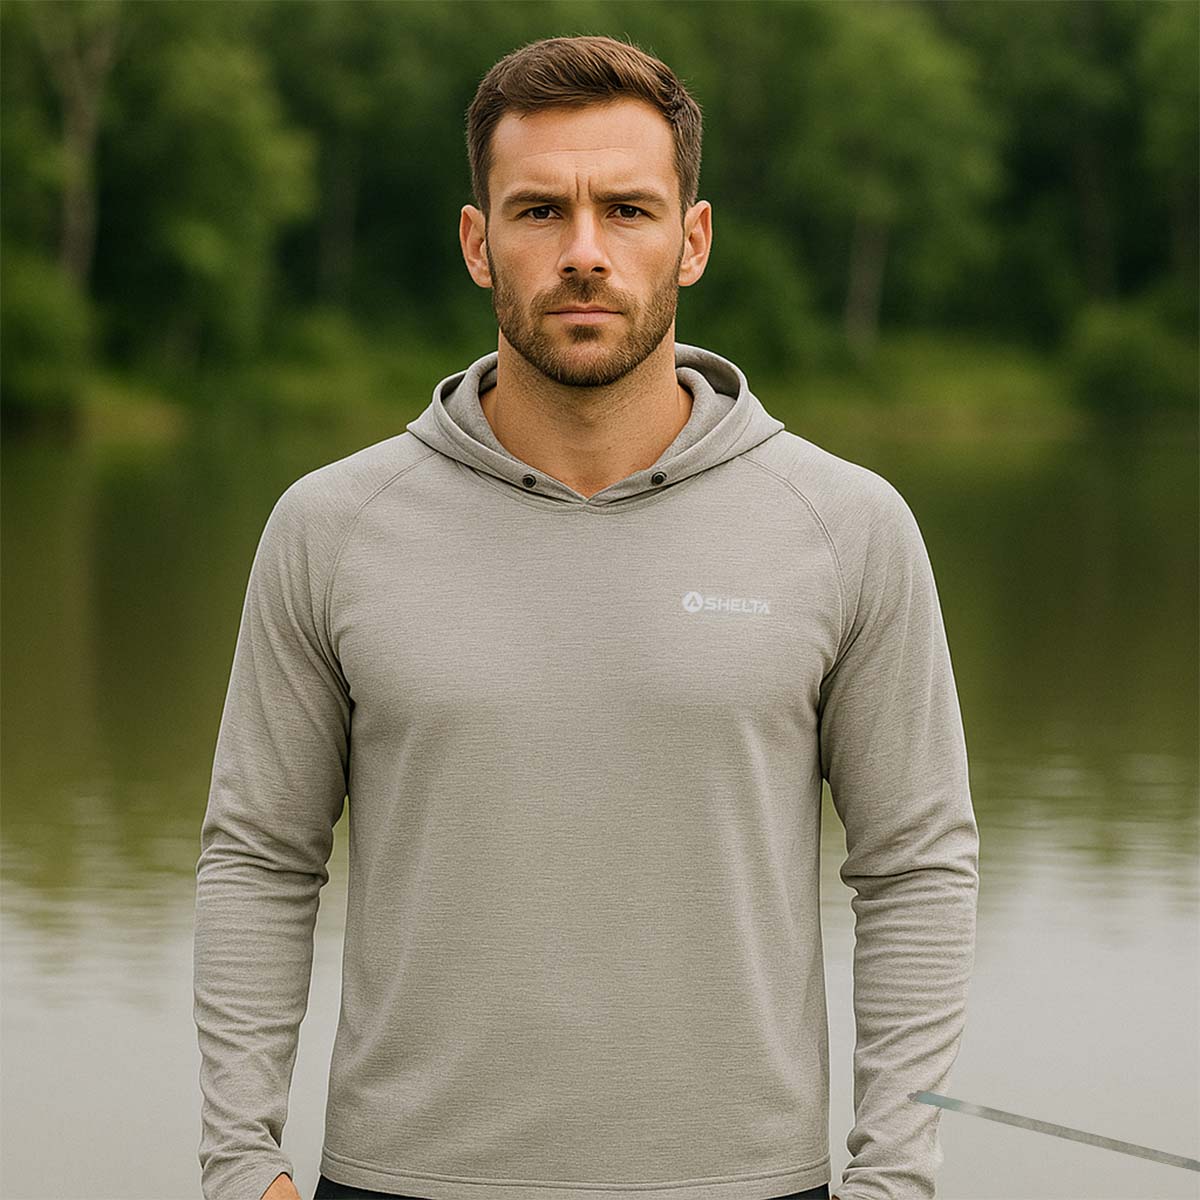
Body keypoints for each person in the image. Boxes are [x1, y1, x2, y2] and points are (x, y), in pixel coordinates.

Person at [192, 32, 979, 1200]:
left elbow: (917, 867)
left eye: (627, 209)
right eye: (538, 211)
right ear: (478, 243)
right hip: (401, 1180)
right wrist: (238, 1166)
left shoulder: (845, 526)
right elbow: (258, 858)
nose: (584, 252)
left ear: (693, 239)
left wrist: (897, 1180)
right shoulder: (331, 527)